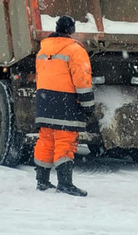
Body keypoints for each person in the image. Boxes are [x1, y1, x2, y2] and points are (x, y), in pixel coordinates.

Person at [33, 15, 94, 196]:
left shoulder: (43, 49)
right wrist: (88, 105)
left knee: (46, 140)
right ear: (72, 30)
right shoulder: (75, 51)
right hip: (66, 102)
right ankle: (65, 183)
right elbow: (82, 79)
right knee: (65, 141)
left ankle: (42, 181)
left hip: (44, 100)